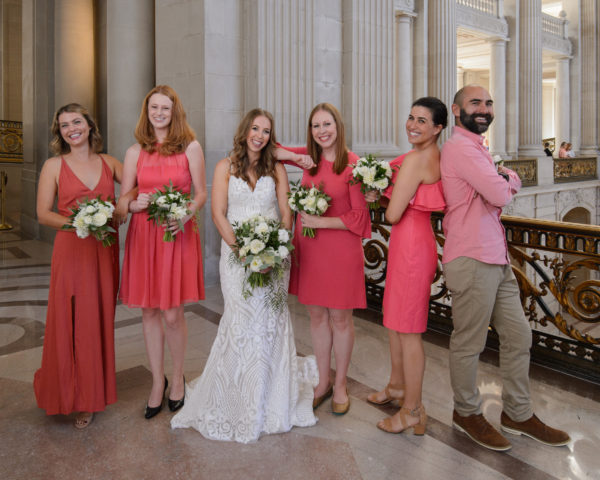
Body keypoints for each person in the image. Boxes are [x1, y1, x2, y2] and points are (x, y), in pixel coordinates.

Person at [171, 108, 318, 442]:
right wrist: (242, 251)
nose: (260, 135)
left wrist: (273, 250)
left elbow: (285, 213)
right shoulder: (225, 167)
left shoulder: (277, 168)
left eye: (266, 131)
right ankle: (236, 394)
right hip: (236, 257)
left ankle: (271, 397)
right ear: (244, 130)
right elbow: (218, 213)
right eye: (255, 128)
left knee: (270, 323)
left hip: (274, 257)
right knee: (241, 321)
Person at [441, 84, 570, 451]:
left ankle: (517, 413)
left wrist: (499, 176)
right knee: (469, 342)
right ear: (456, 110)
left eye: (488, 103)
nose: (483, 109)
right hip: (470, 257)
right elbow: (500, 194)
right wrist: (509, 176)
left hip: (496, 257)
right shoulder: (461, 148)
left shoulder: (477, 149)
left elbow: (494, 193)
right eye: (474, 103)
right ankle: (465, 412)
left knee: (518, 336)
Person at [34, 103, 130, 428]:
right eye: (64, 125)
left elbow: (135, 184)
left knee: (97, 319)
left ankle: (91, 393)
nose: (71, 129)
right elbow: (43, 213)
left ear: (89, 126)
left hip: (103, 252)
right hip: (71, 249)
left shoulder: (108, 162)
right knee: (72, 319)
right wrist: (76, 224)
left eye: (77, 122)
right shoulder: (53, 166)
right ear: (59, 133)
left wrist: (120, 207)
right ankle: (72, 394)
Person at [120, 85, 207, 419]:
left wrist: (186, 213)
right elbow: (123, 199)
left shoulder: (191, 147)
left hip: (176, 235)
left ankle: (178, 378)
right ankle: (158, 382)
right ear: (147, 111)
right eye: (154, 107)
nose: (159, 113)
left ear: (174, 112)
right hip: (144, 236)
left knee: (172, 313)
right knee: (149, 312)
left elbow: (201, 193)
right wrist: (132, 201)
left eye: (165, 108)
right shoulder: (134, 152)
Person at [281, 103, 371, 415]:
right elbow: (270, 147)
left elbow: (360, 218)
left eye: (327, 124)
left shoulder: (353, 165)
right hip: (311, 249)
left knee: (340, 319)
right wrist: (295, 156)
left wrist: (323, 222)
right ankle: (323, 381)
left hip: (341, 250)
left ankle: (342, 383)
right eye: (316, 126)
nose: (322, 131)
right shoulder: (309, 161)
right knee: (317, 317)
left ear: (338, 126)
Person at [365, 97, 447, 435]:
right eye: (410, 118)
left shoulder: (416, 160)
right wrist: (386, 194)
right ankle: (397, 387)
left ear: (438, 127)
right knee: (396, 323)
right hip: (411, 244)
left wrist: (383, 198)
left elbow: (395, 214)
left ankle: (412, 410)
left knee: (409, 331)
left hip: (411, 247)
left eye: (422, 121)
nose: (413, 125)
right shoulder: (430, 155)